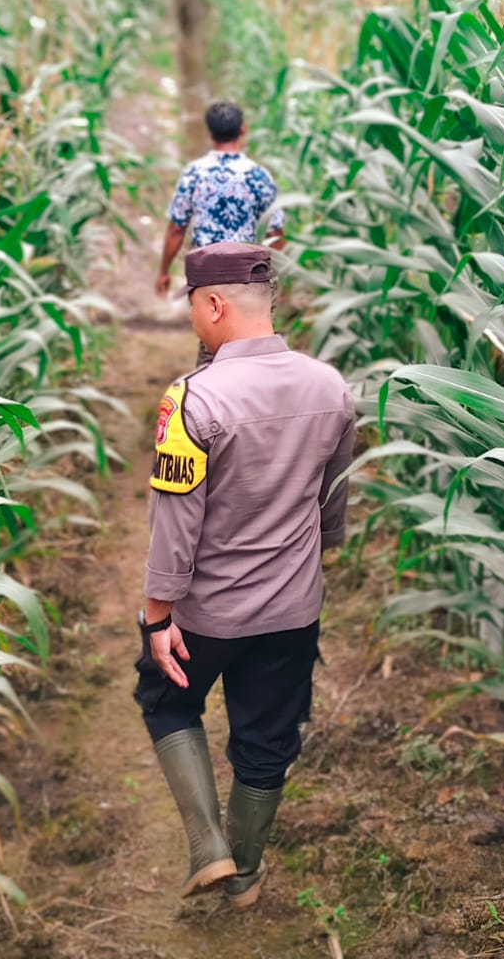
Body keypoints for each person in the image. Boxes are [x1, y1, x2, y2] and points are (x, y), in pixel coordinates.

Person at [135, 241, 356, 909]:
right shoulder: (332, 387)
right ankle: (249, 872)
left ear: (215, 304)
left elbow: (175, 524)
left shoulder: (193, 399)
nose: (194, 323)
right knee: (267, 737)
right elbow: (332, 504)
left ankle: (209, 848)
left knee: (167, 698)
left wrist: (157, 617)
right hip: (292, 608)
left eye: (194, 310)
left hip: (208, 612)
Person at [155, 100, 286, 300]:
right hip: (245, 272)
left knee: (210, 327)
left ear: (210, 133)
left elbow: (176, 228)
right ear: (244, 129)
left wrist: (164, 271)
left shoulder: (194, 173)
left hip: (205, 271)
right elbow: (275, 232)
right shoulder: (259, 176)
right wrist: (279, 279)